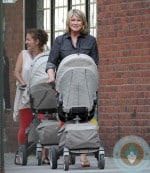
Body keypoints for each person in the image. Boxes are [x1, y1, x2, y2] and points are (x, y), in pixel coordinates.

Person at [46, 9, 99, 167]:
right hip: (65, 86)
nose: (75, 23)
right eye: (73, 20)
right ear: (68, 22)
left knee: (86, 118)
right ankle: (67, 150)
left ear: (83, 23)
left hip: (86, 87)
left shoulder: (91, 41)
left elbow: (95, 65)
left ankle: (83, 156)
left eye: (79, 20)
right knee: (66, 118)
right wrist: (51, 77)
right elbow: (51, 63)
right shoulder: (60, 41)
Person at [13, 28, 49, 165]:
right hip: (25, 94)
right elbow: (16, 72)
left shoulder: (46, 55)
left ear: (37, 41)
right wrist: (24, 83)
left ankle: (45, 155)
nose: (26, 42)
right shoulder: (23, 54)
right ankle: (20, 153)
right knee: (25, 125)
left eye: (29, 39)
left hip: (41, 96)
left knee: (45, 124)